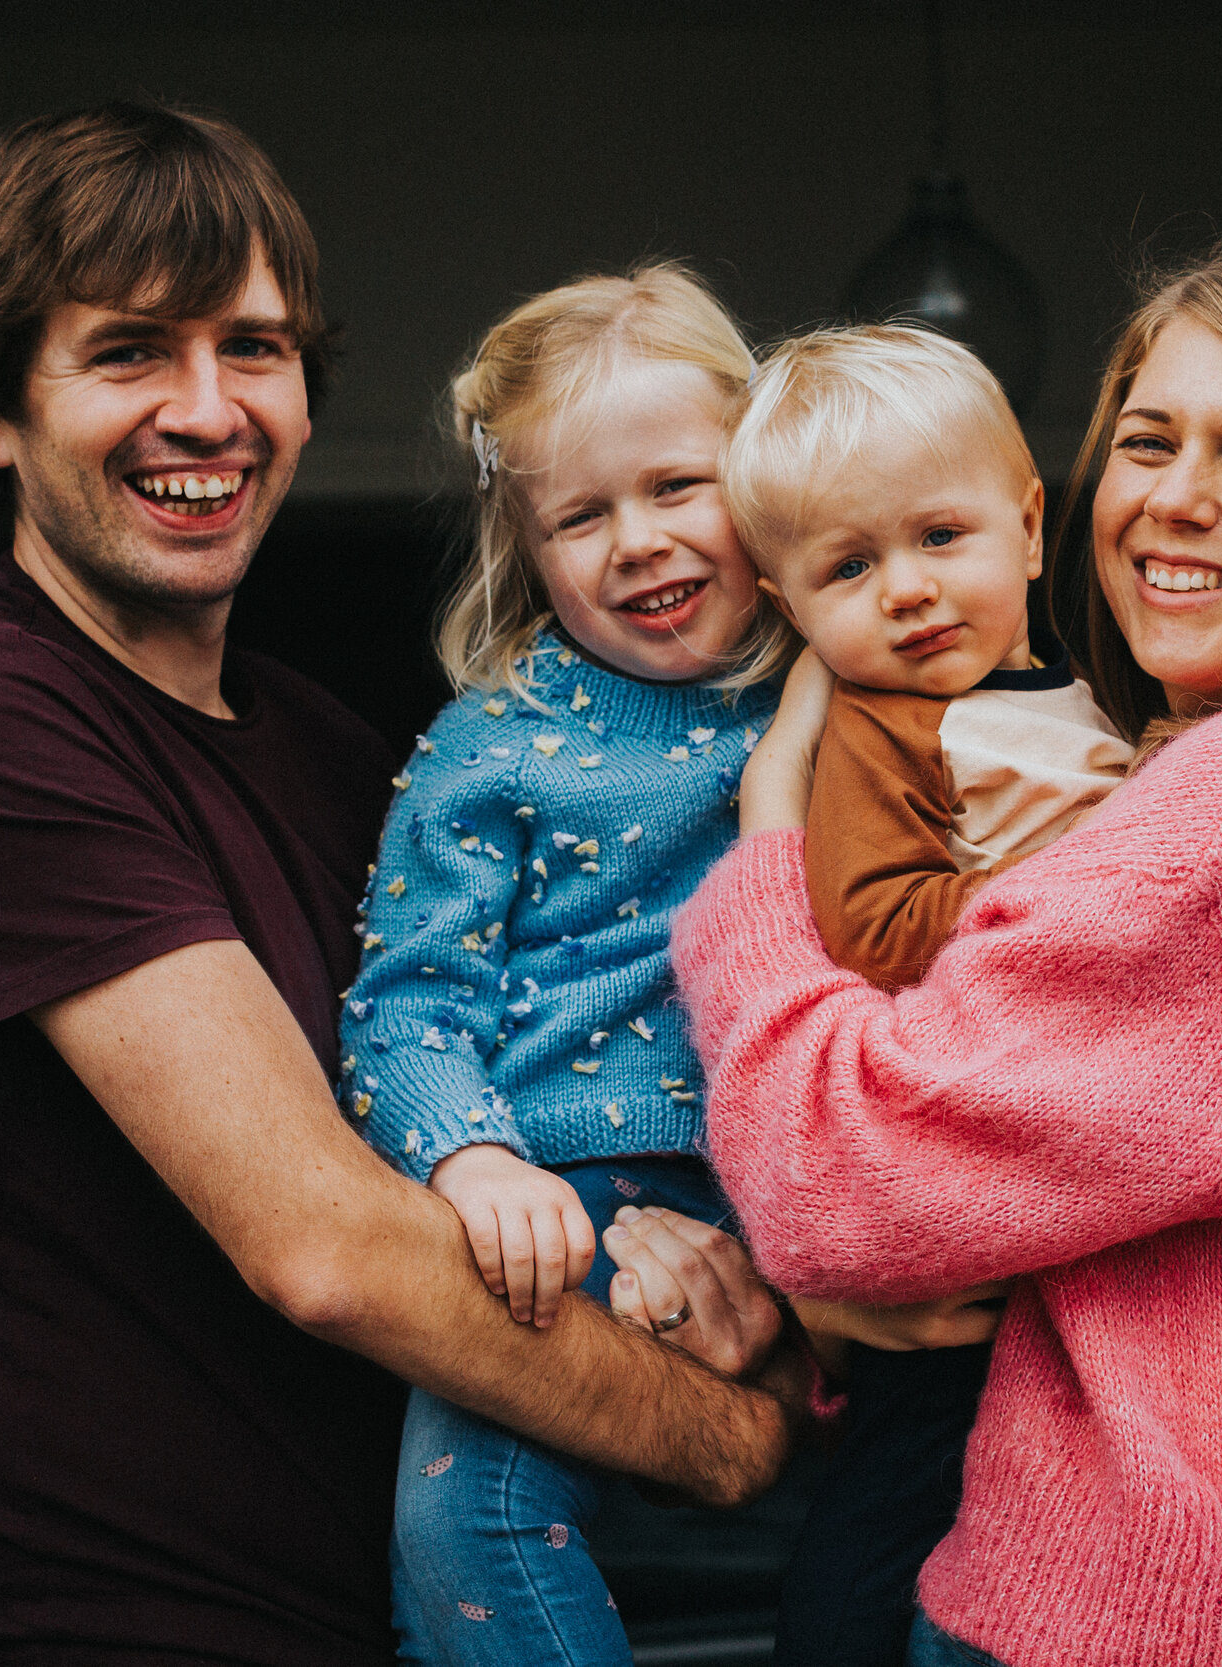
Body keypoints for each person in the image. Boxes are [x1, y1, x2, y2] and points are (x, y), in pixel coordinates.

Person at [0, 103, 793, 1667]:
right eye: (132, 352)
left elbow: (491, 1081)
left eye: (253, 350)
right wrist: (740, 1435)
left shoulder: (336, 754)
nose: (209, 411)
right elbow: (331, 1248)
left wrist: (673, 1249)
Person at [669, 245, 1222, 1666]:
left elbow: (835, 1176)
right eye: (1148, 441)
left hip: (1152, 1626)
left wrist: (768, 846)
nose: (1176, 498)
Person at [340, 262, 792, 1664]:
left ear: (765, 474)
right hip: (554, 1211)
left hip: (807, 1212)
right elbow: (405, 1002)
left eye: (677, 487)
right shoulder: (486, 748)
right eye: (580, 515)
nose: (637, 543)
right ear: (521, 542)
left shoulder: (848, 690)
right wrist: (474, 1161)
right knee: (454, 1530)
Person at [714, 323, 1132, 1666]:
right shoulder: (881, 727)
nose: (905, 590)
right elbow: (874, 922)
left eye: (939, 537)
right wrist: (1084, 901)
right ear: (790, 609)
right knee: (897, 1519)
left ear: (1027, 527)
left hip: (1078, 1212)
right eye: (848, 566)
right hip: (939, 1233)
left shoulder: (1104, 695)